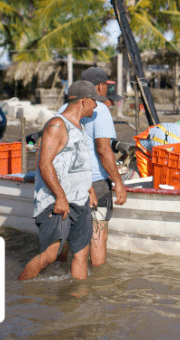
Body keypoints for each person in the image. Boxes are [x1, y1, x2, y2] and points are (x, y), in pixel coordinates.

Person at [19, 81, 104, 281]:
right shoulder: (56, 125)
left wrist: (89, 190)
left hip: (80, 201)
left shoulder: (81, 127)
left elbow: (78, 164)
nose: (97, 106)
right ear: (84, 101)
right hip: (57, 203)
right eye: (94, 101)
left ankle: (78, 304)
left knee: (81, 255)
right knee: (49, 255)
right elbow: (44, 164)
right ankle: (19, 290)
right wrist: (60, 197)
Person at [57, 67, 127, 268]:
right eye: (106, 85)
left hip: (68, 182)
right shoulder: (101, 109)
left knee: (69, 234)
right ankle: (98, 285)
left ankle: (63, 275)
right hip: (95, 182)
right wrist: (118, 184)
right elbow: (104, 150)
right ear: (99, 86)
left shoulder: (63, 110)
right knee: (98, 236)